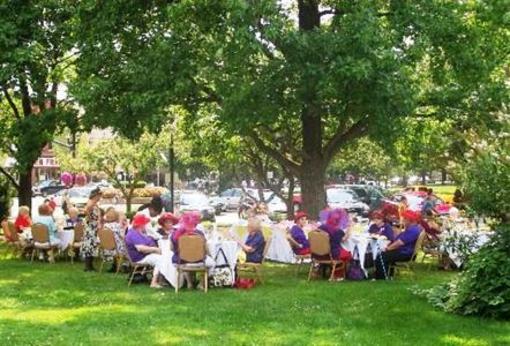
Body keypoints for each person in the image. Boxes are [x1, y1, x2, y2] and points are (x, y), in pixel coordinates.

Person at [375, 210, 422, 280]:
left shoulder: (413, 230)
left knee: (381, 256)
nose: (403, 221)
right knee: (385, 254)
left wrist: (388, 248)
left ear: (409, 220)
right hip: (405, 251)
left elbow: (400, 243)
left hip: (405, 253)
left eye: (404, 219)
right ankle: (389, 275)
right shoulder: (413, 229)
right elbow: (399, 239)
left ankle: (381, 277)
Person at [125, 214, 163, 288]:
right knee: (160, 259)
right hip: (139, 258)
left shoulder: (139, 233)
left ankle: (162, 280)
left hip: (145, 255)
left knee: (164, 256)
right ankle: (154, 282)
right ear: (141, 225)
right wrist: (155, 249)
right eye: (145, 224)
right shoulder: (132, 233)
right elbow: (140, 248)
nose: (146, 225)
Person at [171, 212, 207, 289]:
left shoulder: (175, 234)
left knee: (185, 259)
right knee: (212, 263)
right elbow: (205, 249)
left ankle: (189, 283)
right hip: (198, 261)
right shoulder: (200, 234)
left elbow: (171, 248)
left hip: (180, 261)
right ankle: (201, 283)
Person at [317, 208, 352, 280]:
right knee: (349, 254)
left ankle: (320, 270)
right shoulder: (337, 231)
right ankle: (339, 274)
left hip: (318, 254)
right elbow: (344, 239)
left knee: (342, 251)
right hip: (332, 254)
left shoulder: (321, 227)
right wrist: (349, 228)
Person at [81, 188, 102, 272]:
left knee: (92, 245)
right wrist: (90, 218)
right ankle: (88, 266)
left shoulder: (94, 203)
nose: (100, 198)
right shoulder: (91, 203)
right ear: (96, 195)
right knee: (89, 246)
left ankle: (90, 265)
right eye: (99, 196)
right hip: (91, 227)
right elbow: (86, 211)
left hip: (93, 226)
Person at [103, 207, 127, 273]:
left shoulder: (104, 226)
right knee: (129, 246)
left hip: (106, 249)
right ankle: (127, 266)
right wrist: (125, 228)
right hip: (116, 250)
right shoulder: (117, 226)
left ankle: (115, 265)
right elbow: (123, 237)